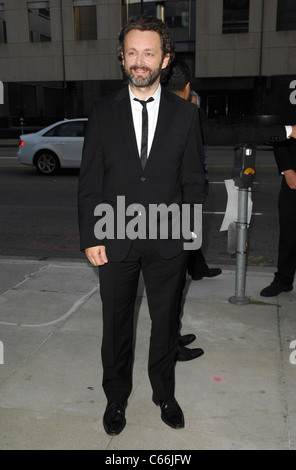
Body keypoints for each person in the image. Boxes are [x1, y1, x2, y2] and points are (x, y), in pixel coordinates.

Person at [78, 15, 206, 435]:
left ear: (164, 59)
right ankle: (116, 398)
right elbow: (90, 180)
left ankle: (164, 393)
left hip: (169, 239)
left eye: (148, 53)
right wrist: (91, 235)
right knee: (115, 325)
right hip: (114, 237)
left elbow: (193, 180)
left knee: (165, 324)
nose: (139, 61)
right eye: (132, 52)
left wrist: (189, 237)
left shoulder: (185, 116)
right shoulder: (102, 112)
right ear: (122, 57)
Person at [165, 57, 296, 286]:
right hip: (184, 200)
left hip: (143, 210)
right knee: (174, 269)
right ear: (187, 88)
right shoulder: (190, 116)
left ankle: (195, 269)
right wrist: (287, 131)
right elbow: (237, 133)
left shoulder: (135, 112)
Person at [260, 101, 296, 297]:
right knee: (289, 234)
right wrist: (287, 170)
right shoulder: (292, 107)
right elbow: (279, 136)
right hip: (294, 182)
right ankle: (283, 279)